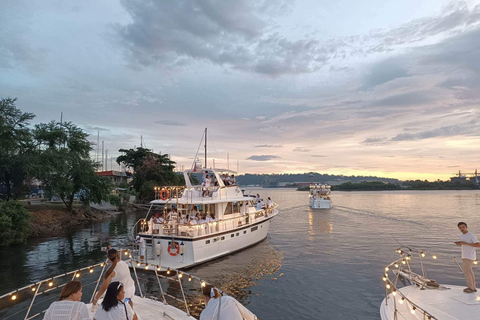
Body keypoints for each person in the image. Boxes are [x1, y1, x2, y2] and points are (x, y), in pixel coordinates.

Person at [454, 222, 479, 293]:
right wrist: (459, 244)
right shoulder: (461, 235)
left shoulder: (471, 235)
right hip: (464, 255)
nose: (462, 229)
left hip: (470, 256)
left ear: (466, 227)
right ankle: (473, 287)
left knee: (466, 271)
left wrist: (467, 244)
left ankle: (470, 287)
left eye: (463, 227)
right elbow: (464, 245)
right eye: (460, 227)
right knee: (470, 271)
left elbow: (478, 244)